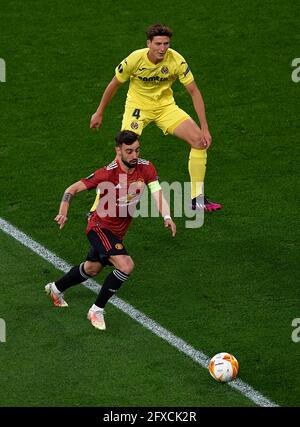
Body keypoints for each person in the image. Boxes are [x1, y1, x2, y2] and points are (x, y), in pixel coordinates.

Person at [45, 130, 176, 331]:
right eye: (129, 151)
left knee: (92, 269)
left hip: (117, 232)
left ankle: (55, 289)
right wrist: (63, 212)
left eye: (137, 150)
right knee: (126, 265)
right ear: (119, 151)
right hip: (99, 227)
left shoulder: (146, 167)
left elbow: (157, 193)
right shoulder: (108, 173)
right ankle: (96, 310)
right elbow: (71, 189)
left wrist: (167, 217)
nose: (135, 155)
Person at [90, 23, 221, 213]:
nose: (162, 48)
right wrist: (99, 112)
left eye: (166, 44)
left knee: (199, 141)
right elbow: (114, 84)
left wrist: (205, 128)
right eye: (158, 44)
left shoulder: (176, 60)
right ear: (149, 44)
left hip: (165, 108)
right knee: (123, 154)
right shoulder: (135, 59)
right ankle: (97, 208)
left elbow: (194, 91)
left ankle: (197, 199)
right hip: (138, 108)